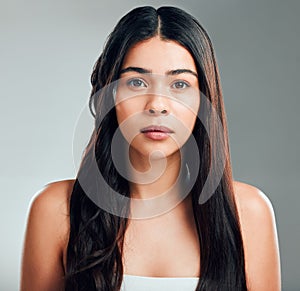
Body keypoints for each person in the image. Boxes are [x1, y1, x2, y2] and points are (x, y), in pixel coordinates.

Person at [20, 6, 281, 291]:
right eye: (136, 82)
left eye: (179, 84)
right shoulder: (56, 210)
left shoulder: (249, 213)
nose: (157, 104)